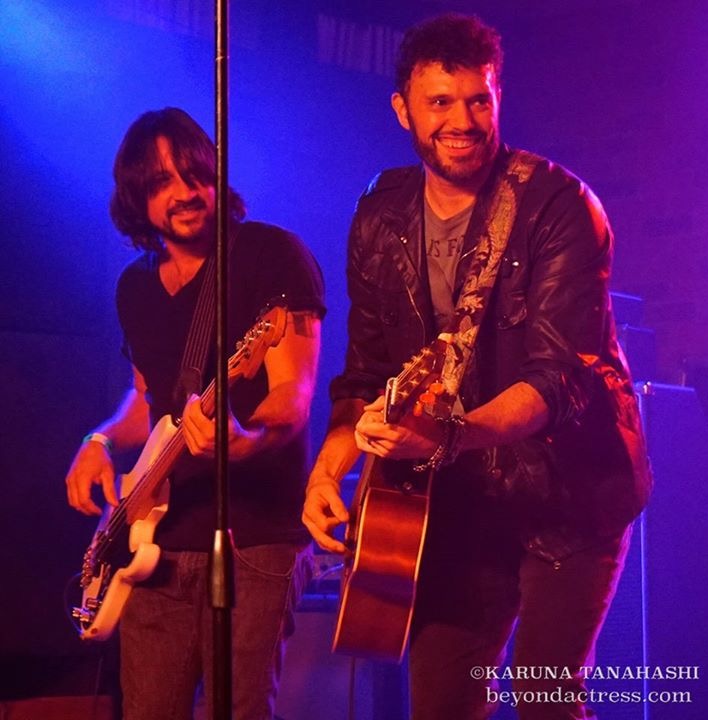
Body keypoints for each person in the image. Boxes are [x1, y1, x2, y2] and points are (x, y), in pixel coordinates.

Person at [303, 13, 650, 720]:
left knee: (543, 697)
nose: (462, 121)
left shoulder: (559, 206)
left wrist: (450, 435)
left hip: (570, 496)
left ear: (497, 98)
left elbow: (558, 379)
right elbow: (366, 372)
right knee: (441, 703)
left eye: (478, 100)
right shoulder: (379, 213)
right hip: (457, 501)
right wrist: (329, 467)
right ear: (402, 108)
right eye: (440, 101)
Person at [65, 107, 325, 720]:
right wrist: (100, 440)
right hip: (153, 542)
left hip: (252, 540)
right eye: (162, 182)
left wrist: (243, 440)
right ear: (135, 197)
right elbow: (147, 399)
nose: (184, 192)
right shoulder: (134, 286)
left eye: (195, 174)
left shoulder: (268, 254)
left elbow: (293, 395)